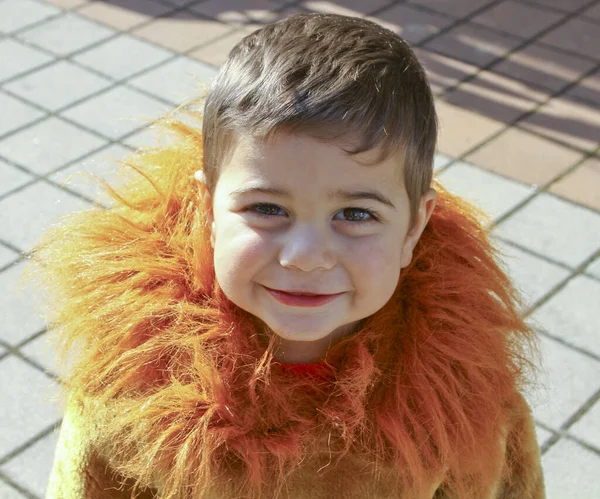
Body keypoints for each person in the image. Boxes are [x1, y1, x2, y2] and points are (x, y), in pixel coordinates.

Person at [35, 13, 544, 498]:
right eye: (266, 207)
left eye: (356, 215)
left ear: (414, 226)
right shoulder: (134, 386)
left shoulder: (461, 401)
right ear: (209, 211)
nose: (306, 256)